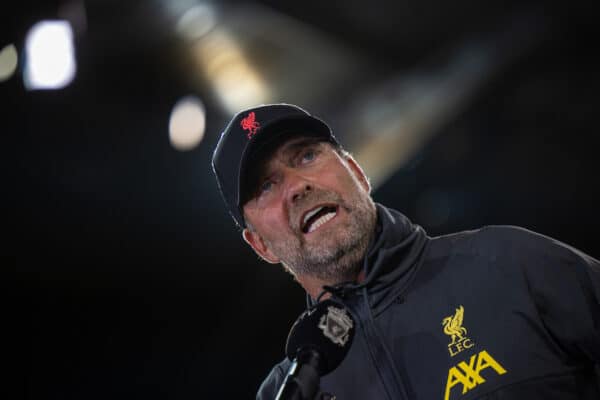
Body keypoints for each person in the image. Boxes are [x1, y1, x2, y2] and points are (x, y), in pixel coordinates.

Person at [212, 103, 600, 400]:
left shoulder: (512, 263)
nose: (296, 186)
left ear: (358, 174)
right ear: (260, 245)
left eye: (306, 156)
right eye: (266, 186)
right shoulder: (290, 388)